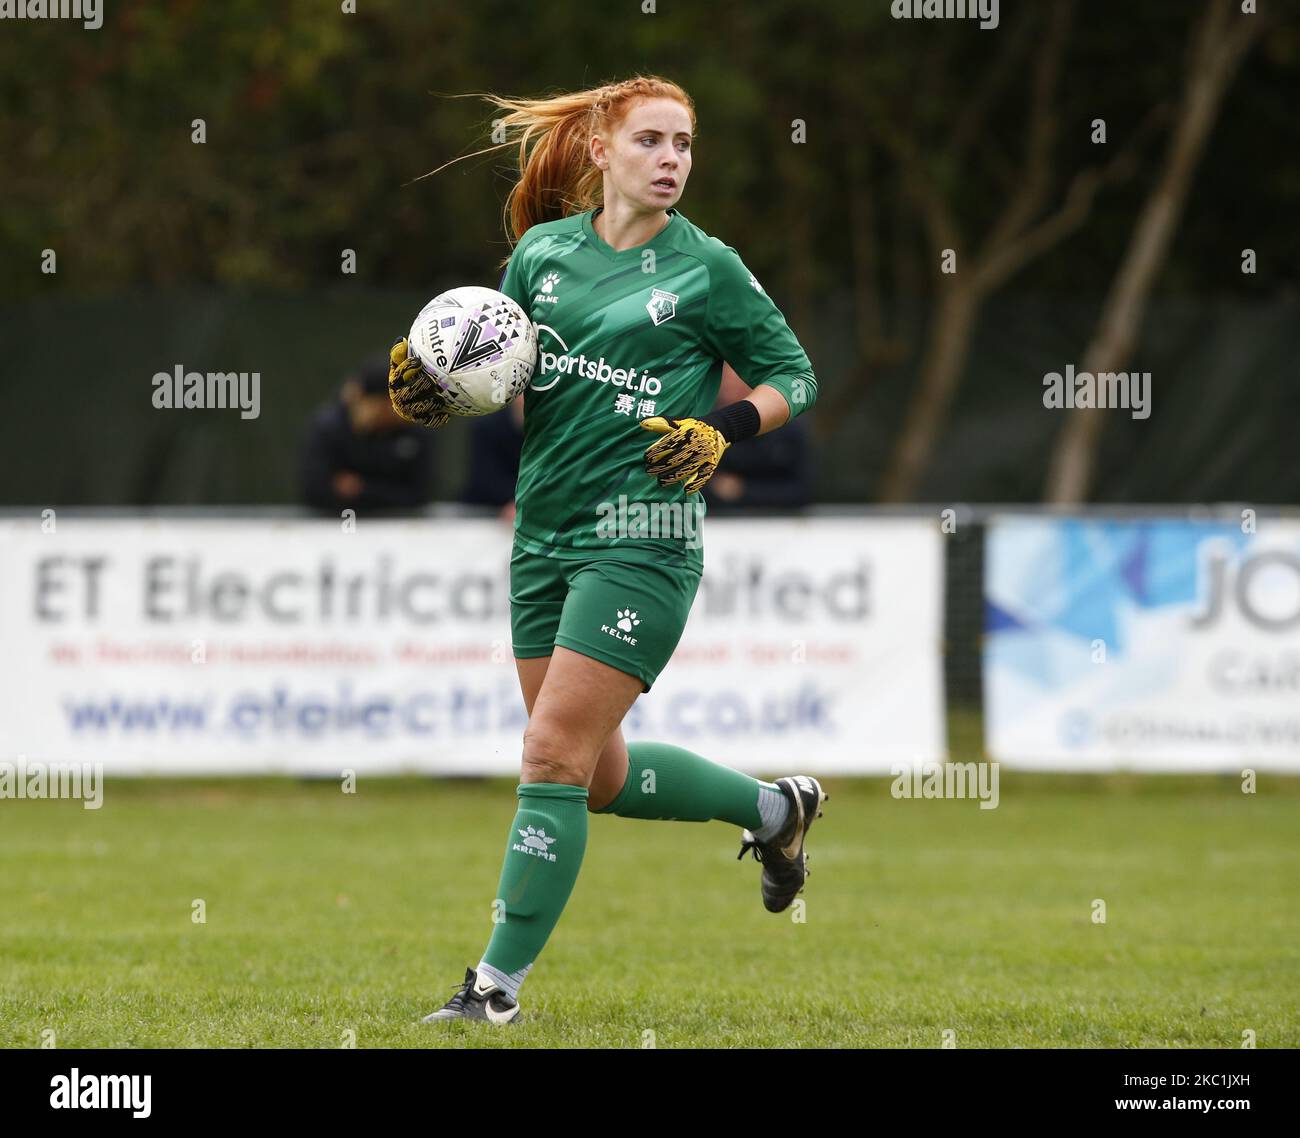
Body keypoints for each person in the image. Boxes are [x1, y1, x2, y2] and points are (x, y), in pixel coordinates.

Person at [386, 75, 826, 1025]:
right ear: (601, 151)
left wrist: (725, 429)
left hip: (646, 537)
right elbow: (497, 369)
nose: (672, 160)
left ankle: (490, 995)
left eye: (684, 144)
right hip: (542, 534)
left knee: (549, 756)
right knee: (599, 777)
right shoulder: (542, 254)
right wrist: (433, 383)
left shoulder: (706, 269)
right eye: (652, 142)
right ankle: (774, 813)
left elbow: (796, 373)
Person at [300, 357, 433, 513]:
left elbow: (419, 494)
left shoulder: (416, 430)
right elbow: (314, 490)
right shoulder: (327, 428)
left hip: (399, 528)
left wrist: (362, 489)